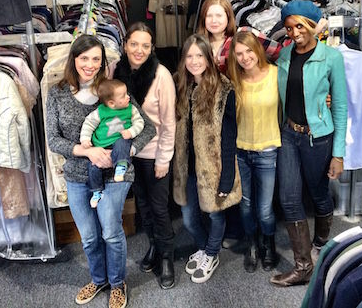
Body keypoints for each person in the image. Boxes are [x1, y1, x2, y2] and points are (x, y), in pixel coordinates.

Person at [46, 35, 155, 307]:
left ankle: (118, 283)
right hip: (77, 173)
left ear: (103, 62)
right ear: (73, 60)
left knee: (109, 229)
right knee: (89, 235)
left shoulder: (111, 89)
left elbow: (148, 128)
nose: (90, 65)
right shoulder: (57, 93)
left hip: (115, 173)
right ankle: (99, 279)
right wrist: (88, 151)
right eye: (84, 58)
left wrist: (125, 150)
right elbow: (53, 140)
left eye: (96, 59)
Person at [270, 0, 348, 287]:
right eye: (289, 27)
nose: (295, 32)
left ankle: (321, 240)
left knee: (318, 192)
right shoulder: (285, 54)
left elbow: (340, 106)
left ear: (314, 26)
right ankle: (303, 267)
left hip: (319, 137)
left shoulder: (332, 58)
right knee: (289, 198)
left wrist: (338, 154)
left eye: (300, 25)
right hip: (289, 134)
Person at [172, 34, 242, 284]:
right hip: (185, 167)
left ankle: (212, 254)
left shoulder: (224, 90)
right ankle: (203, 248)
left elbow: (229, 136)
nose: (194, 61)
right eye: (189, 56)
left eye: (199, 55)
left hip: (213, 167)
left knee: (215, 214)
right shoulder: (179, 84)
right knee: (189, 217)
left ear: (208, 58)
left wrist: (226, 178)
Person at [112, 22, 177, 290]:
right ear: (125, 45)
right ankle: (153, 246)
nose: (139, 50)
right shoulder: (116, 71)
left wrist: (164, 159)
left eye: (145, 46)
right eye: (134, 44)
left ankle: (167, 258)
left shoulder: (161, 75)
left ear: (152, 49)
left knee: (160, 209)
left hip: (154, 154)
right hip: (130, 154)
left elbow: (169, 122)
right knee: (144, 207)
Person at [227, 31, 280, 273]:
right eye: (239, 53)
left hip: (268, 150)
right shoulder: (233, 81)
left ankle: (269, 243)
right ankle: (252, 244)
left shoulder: (276, 75)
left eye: (249, 51)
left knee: (265, 208)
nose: (245, 57)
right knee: (246, 205)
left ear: (258, 50)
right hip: (241, 150)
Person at [80, 79, 145, 208]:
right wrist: (85, 139)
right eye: (123, 96)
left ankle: (120, 167)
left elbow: (140, 123)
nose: (128, 97)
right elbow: (88, 124)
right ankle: (96, 191)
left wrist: (131, 132)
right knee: (93, 166)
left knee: (123, 143)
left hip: (119, 140)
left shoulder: (131, 109)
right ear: (111, 103)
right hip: (101, 145)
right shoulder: (100, 112)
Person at [197, 0, 281, 74]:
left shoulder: (246, 33)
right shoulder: (199, 44)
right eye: (209, 16)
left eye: (219, 16)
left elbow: (280, 52)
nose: (214, 20)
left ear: (228, 17)